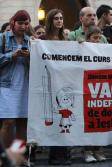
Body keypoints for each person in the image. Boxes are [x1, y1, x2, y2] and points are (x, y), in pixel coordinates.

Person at [43, 9, 71, 165]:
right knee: (54, 120)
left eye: (61, 18)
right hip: (49, 83)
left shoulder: (65, 39)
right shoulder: (43, 39)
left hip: (64, 83)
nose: (59, 21)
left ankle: (64, 154)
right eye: (56, 19)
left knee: (64, 121)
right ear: (50, 21)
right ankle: (54, 155)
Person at [0, 10, 31, 150]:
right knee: (8, 121)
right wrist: (11, 55)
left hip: (25, 85)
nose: (23, 26)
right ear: (13, 22)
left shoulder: (30, 41)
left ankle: (17, 155)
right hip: (6, 86)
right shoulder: (3, 38)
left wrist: (30, 56)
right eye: (20, 23)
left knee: (23, 122)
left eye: (26, 23)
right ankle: (6, 155)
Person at [82, 25, 107, 163]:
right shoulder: (83, 47)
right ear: (88, 38)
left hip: (101, 88)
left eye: (99, 38)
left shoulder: (104, 50)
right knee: (89, 120)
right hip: (87, 87)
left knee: (100, 120)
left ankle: (98, 150)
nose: (97, 40)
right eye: (94, 38)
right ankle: (87, 150)